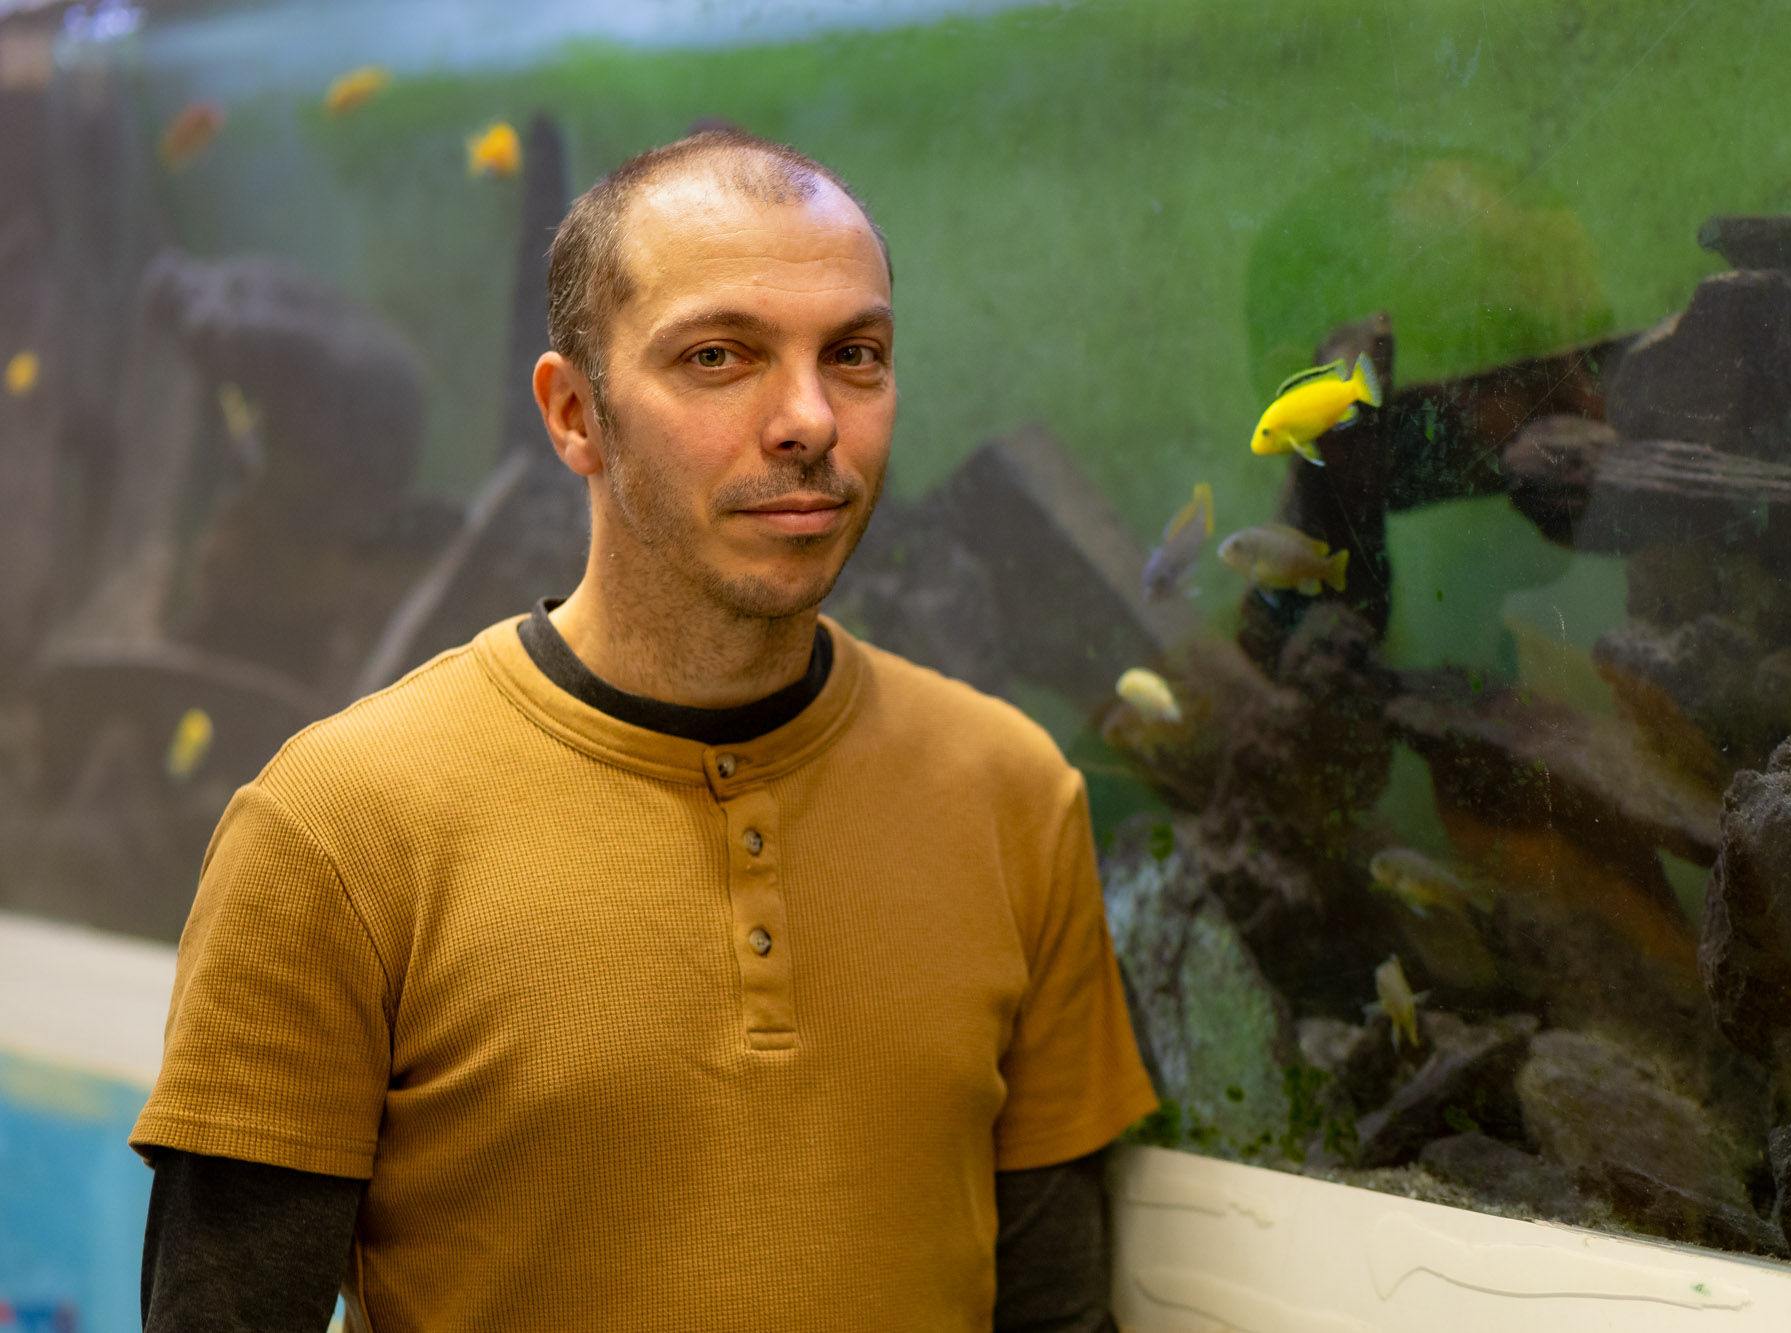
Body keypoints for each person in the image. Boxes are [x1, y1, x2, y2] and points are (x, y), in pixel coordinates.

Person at [130, 129, 1156, 1332]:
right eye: (718, 356)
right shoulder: (336, 829)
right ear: (575, 415)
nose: (809, 419)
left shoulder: (1012, 792)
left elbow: (1056, 1314)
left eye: (855, 356)